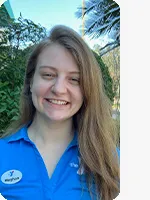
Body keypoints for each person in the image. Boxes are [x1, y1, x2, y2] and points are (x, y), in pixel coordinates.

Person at [0, 25, 120, 200]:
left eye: (74, 79)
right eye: (48, 75)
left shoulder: (111, 160)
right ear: (31, 82)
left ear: (87, 90)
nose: (59, 89)